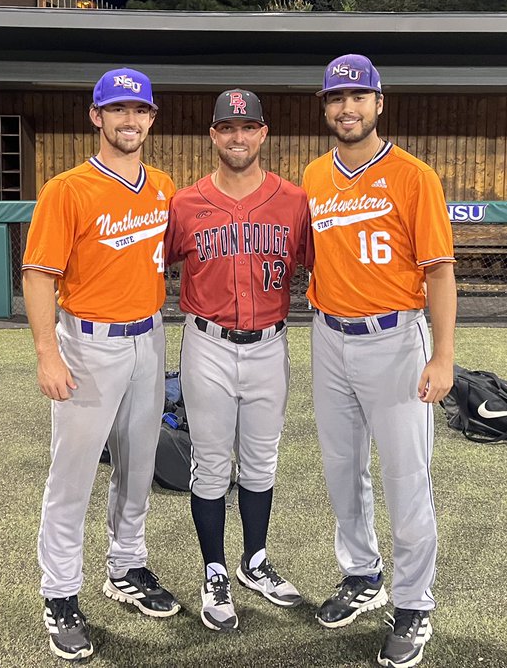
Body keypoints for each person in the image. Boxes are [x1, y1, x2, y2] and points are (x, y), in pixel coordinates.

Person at [302, 54, 457, 668]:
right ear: (325, 107)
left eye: (358, 97)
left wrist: (443, 355)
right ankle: (362, 575)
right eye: (337, 99)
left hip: (395, 338)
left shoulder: (414, 175)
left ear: (379, 102)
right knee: (343, 470)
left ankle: (414, 601)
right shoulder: (313, 176)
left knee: (405, 476)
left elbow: (440, 272)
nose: (348, 108)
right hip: (327, 335)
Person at [21, 68, 180, 661]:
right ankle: (60, 593)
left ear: (151, 118)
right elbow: (38, 274)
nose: (129, 120)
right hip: (86, 343)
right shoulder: (69, 189)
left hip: (148, 338)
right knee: (73, 475)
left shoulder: (163, 186)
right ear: (97, 117)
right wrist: (47, 352)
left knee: (139, 466)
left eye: (138, 111)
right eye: (117, 110)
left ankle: (127, 566)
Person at [165, 89, 311, 632]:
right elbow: (150, 265)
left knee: (261, 460)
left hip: (272, 342)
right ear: (213, 136)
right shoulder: (185, 203)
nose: (238, 137)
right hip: (207, 343)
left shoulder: (294, 202)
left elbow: (322, 264)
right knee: (210, 465)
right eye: (227, 128)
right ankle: (214, 570)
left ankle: (254, 562)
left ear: (264, 133)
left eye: (247, 128)